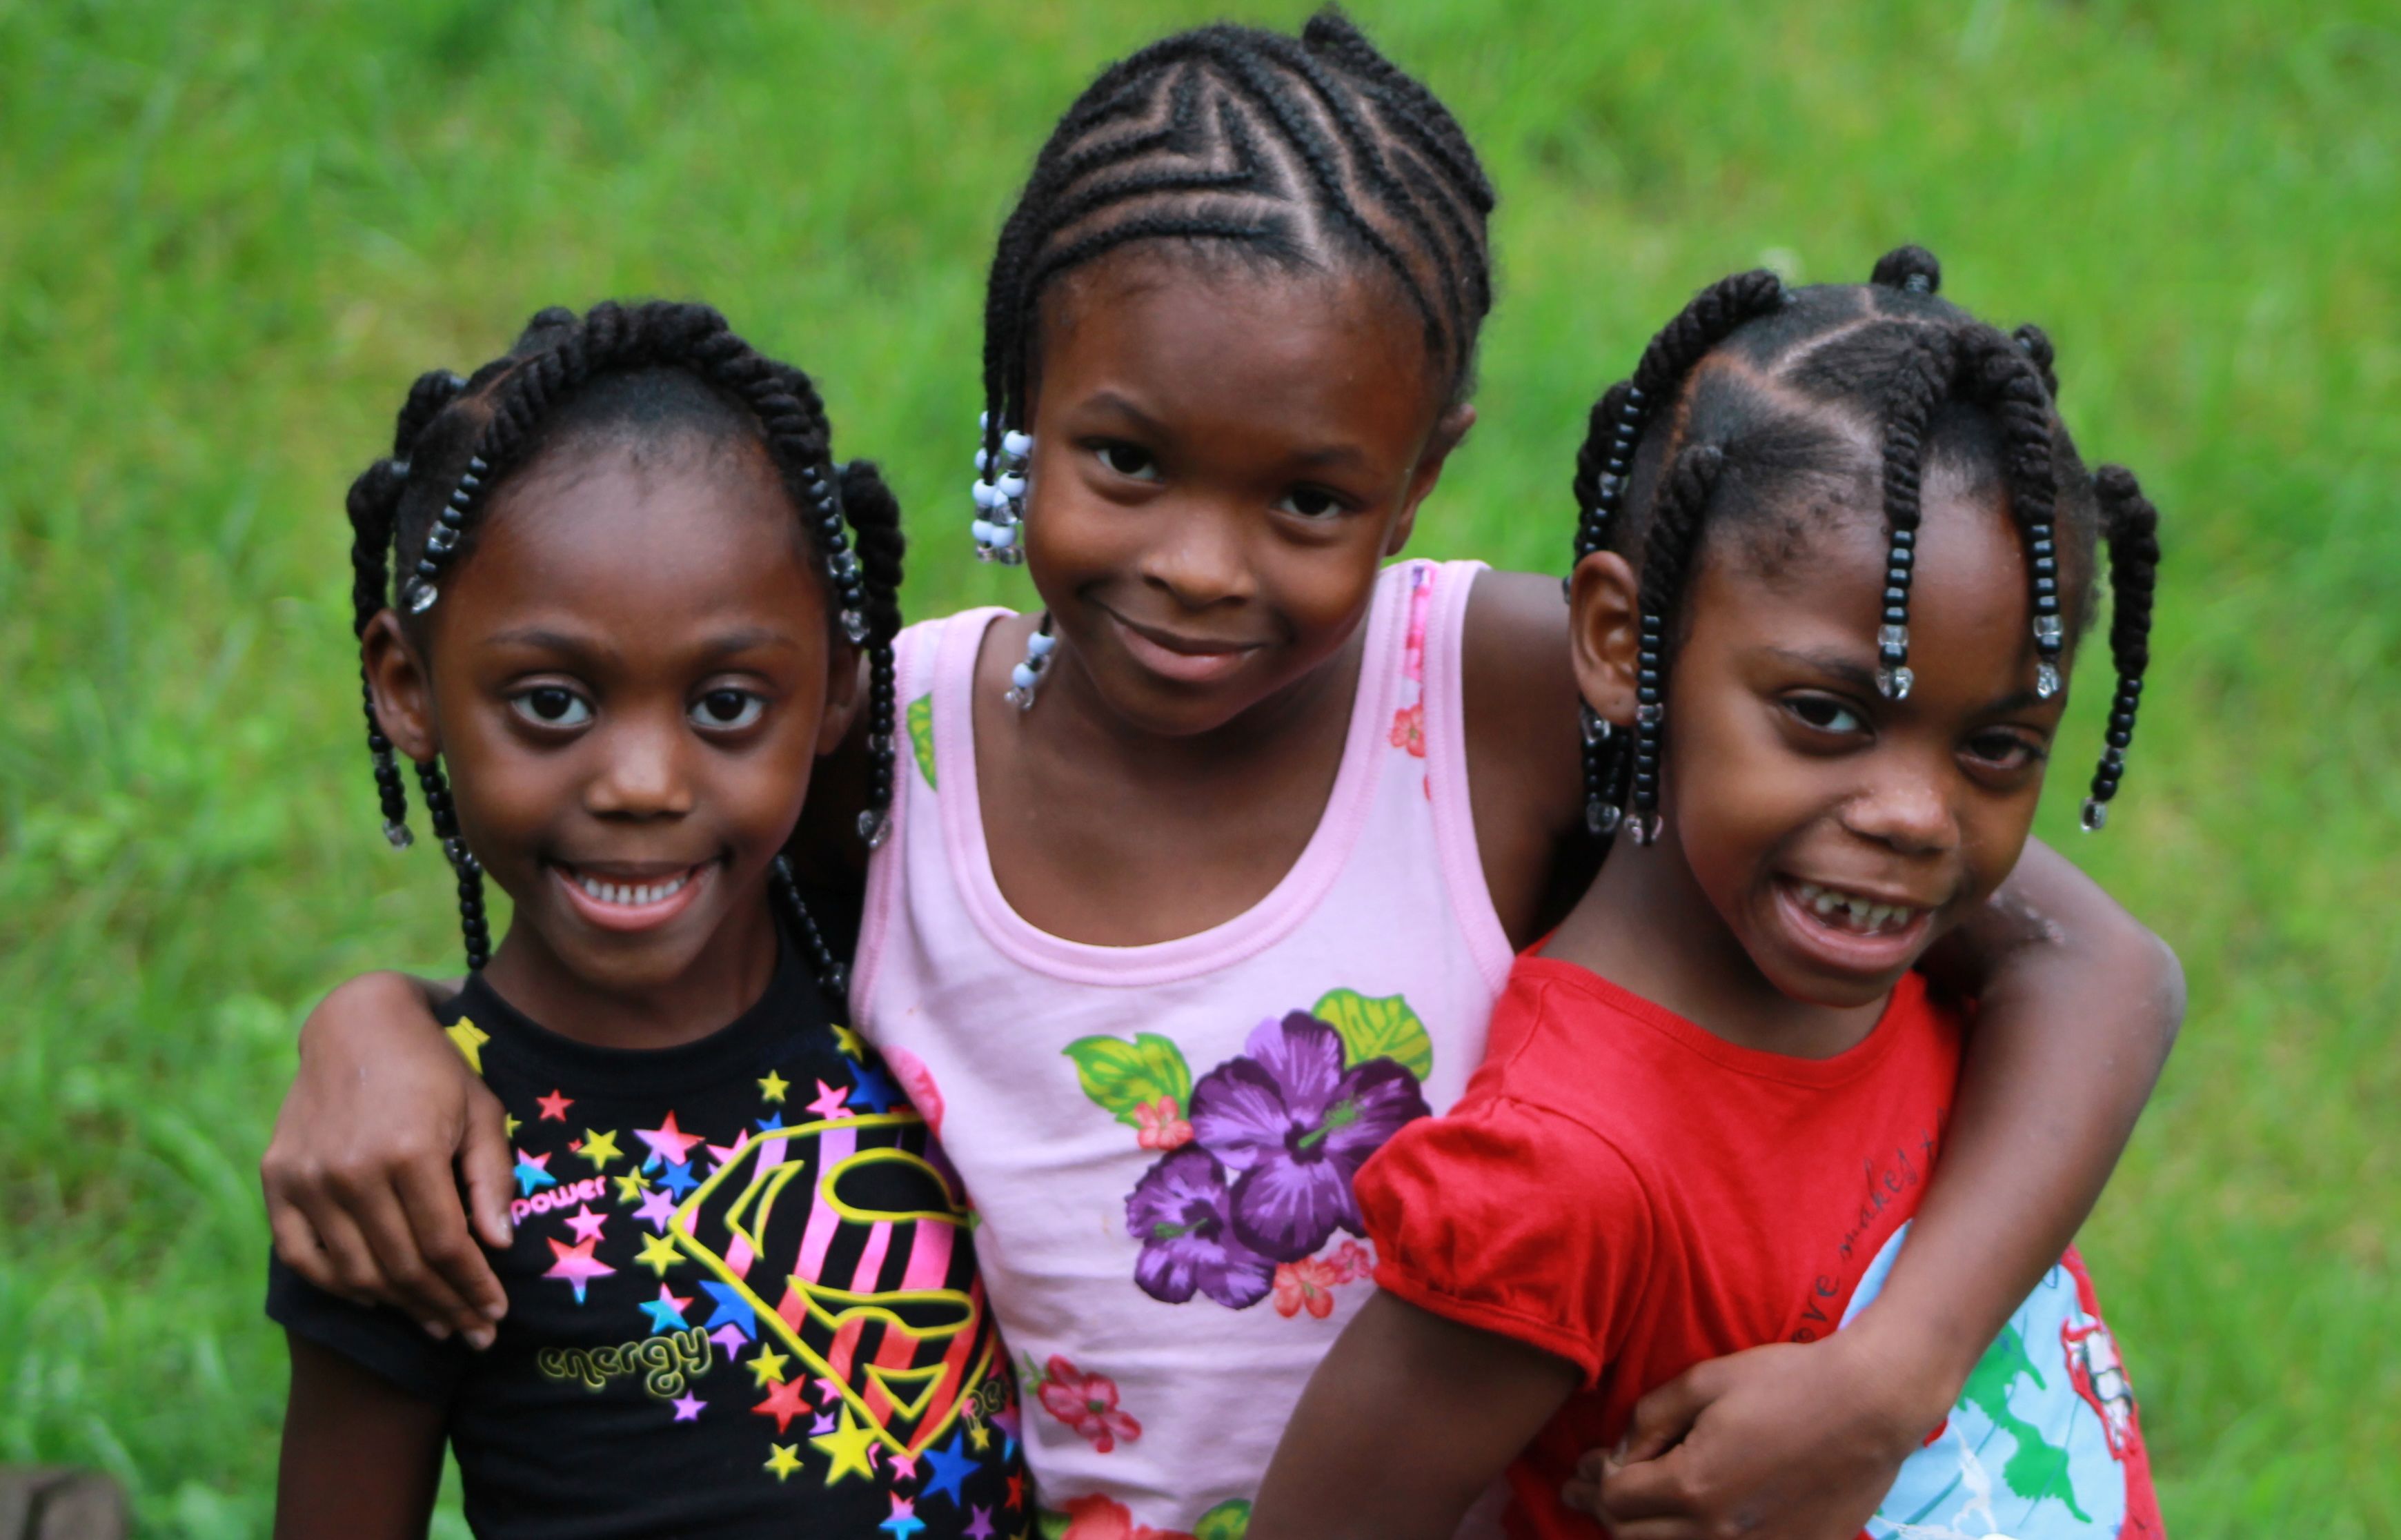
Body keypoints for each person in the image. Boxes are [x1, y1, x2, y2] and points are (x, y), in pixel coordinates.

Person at [259, 17, 2182, 1539]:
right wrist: (384, 1028)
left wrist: (1899, 1371)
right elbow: (640, 940)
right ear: (1017, 407)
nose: (1199, 565)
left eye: (1309, 499)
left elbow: (2085, 962)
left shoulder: (1497, 695)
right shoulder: (892, 750)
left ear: (1421, 474)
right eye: (1127, 463)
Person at [1247, 249, 2170, 1540]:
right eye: (1825, 714)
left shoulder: (1911, 967)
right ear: (1621, 643)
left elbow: (2120, 971)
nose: (1916, 816)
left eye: (1999, 747)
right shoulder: (1563, 1174)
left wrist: (1890, 1376)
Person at [270, 302, 1027, 1539]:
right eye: (552, 704)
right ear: (408, 687)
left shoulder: (917, 965)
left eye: (726, 704)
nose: (641, 784)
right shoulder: (411, 1166)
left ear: (839, 684)